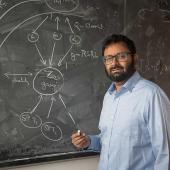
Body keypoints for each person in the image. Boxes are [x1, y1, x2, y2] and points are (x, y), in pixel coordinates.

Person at [71, 34, 170, 170]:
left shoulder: (151, 95)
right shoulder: (109, 96)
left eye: (121, 56)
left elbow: (165, 153)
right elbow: (108, 140)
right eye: (109, 58)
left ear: (134, 58)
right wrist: (88, 142)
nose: (114, 63)